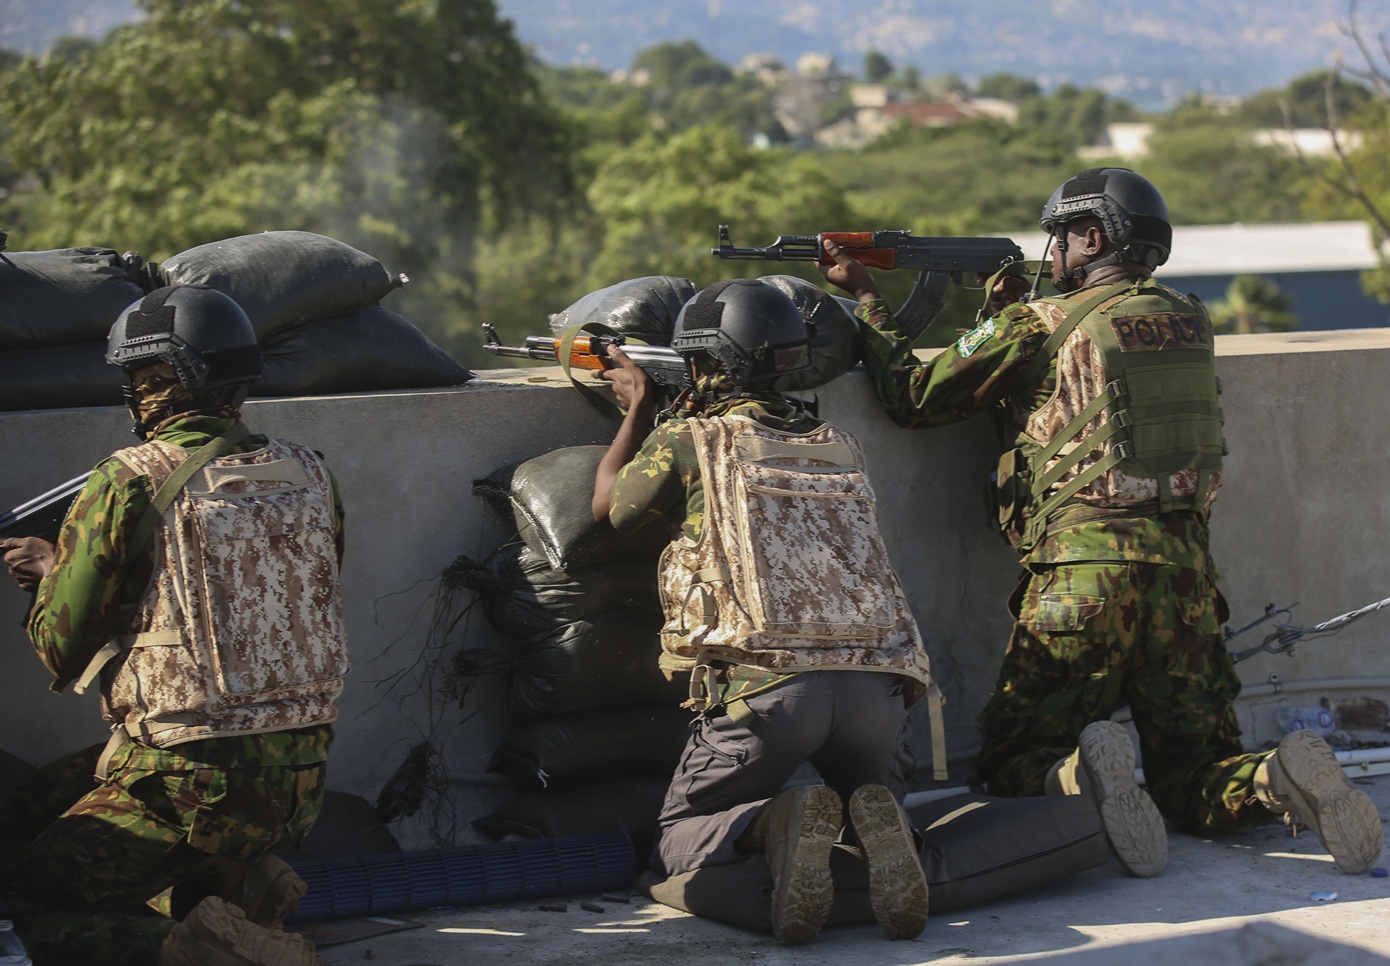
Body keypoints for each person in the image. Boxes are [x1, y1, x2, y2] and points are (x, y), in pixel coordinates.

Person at [818, 166, 1383, 879]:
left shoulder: (1035, 325)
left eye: (1059, 237)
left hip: (1081, 581)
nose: (1050, 252)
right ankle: (1276, 780)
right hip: (1185, 581)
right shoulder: (1188, 318)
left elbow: (913, 395)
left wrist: (869, 299)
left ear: (1092, 236)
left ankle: (1083, 779)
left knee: (1015, 762)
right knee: (1195, 776)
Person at [0, 285, 351, 966]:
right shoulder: (312, 475)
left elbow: (59, 650)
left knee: (31, 898)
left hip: (188, 782)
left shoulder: (125, 482)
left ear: (163, 380)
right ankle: (246, 876)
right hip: (300, 783)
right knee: (47, 795)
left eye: (138, 377)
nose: (133, 393)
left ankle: (201, 951)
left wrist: (49, 573)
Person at [590, 278, 940, 945]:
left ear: (703, 363)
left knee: (677, 842)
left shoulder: (694, 438)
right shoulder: (841, 442)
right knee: (881, 809)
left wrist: (639, 408)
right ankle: (862, 824)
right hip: (876, 691)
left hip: (771, 693)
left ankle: (776, 823)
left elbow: (609, 510)